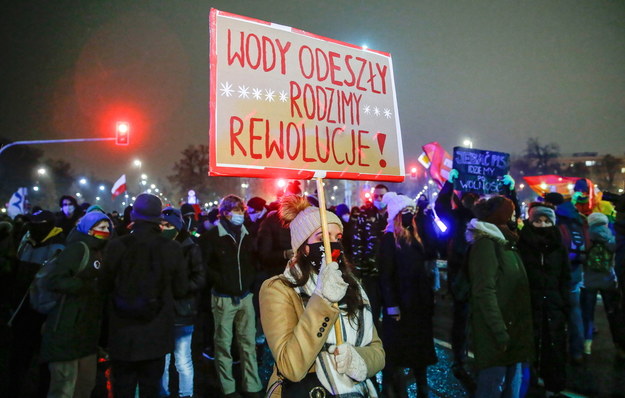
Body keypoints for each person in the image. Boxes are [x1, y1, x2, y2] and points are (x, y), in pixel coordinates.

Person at [260, 194, 384, 397]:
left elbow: (378, 351)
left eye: (337, 238)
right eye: (323, 238)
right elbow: (291, 366)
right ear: (304, 247)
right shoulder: (278, 289)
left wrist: (357, 359)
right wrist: (323, 300)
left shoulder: (350, 284)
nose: (332, 245)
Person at [100, 193, 189, 397]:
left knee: (122, 388)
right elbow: (181, 289)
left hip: (122, 335)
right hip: (155, 334)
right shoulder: (172, 249)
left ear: (133, 215)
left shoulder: (115, 246)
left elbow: (103, 287)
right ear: (158, 217)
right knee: (151, 388)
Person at [467, 196, 534, 398]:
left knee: (511, 387)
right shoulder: (486, 245)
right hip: (497, 334)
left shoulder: (506, 242)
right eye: (512, 213)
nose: (516, 217)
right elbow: (484, 291)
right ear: (502, 216)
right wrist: (499, 330)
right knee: (492, 386)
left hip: (513, 329)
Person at [41, 211, 113, 398]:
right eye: (101, 227)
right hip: (66, 327)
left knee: (85, 385)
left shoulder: (101, 251)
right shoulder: (78, 249)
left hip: (86, 334)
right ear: (89, 229)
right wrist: (87, 286)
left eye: (108, 228)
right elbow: (55, 280)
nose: (106, 231)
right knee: (64, 387)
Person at [199, 194, 262, 398]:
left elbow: (253, 262)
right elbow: (205, 266)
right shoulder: (212, 237)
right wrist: (220, 281)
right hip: (223, 298)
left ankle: (252, 386)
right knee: (223, 345)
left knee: (248, 344)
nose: (241, 214)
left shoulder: (247, 234)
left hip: (245, 297)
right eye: (237, 210)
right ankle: (228, 388)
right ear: (225, 213)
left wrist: (250, 282)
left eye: (242, 210)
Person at [378, 192, 437, 397]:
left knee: (419, 353)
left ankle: (422, 390)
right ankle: (392, 391)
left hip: (418, 304)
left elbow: (432, 249)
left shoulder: (415, 235)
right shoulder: (388, 239)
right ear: (396, 214)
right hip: (401, 305)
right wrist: (392, 305)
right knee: (396, 354)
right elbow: (386, 275)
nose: (410, 215)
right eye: (406, 211)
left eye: (412, 211)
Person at [8, 209, 65, 397]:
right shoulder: (27, 242)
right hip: (22, 310)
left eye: (35, 224)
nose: (30, 227)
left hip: (44, 314)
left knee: (43, 362)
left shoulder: (59, 248)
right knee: (18, 357)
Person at [518, 203, 569, 397]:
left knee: (553, 347)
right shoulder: (524, 245)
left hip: (553, 304)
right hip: (530, 303)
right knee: (528, 348)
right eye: (538, 220)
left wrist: (564, 302)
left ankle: (552, 386)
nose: (542, 224)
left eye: (547, 221)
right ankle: (526, 387)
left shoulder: (559, 247)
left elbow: (564, 277)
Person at [434, 172, 479, 391]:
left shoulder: (487, 217)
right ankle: (460, 360)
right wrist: (449, 183)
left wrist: (508, 190)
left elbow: (508, 215)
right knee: (461, 322)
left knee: (480, 321)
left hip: (482, 277)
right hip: (461, 276)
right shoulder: (457, 216)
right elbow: (440, 206)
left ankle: (478, 360)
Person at [160, 207, 206, 398]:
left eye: (168, 225)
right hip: (161, 312)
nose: (163, 228)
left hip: (183, 311)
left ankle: (186, 394)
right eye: (161, 225)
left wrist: (180, 289)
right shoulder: (156, 247)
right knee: (162, 360)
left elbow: (200, 278)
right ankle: (163, 393)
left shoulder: (190, 248)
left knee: (182, 359)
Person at [546, 192, 590, 364]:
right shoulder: (578, 218)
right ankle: (577, 351)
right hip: (576, 269)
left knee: (554, 312)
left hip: (558, 272)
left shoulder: (555, 218)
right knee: (574, 311)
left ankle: (555, 352)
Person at [580, 212, 625, 359]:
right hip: (608, 281)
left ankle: (586, 344)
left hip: (588, 280)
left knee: (587, 315)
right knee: (613, 314)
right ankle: (619, 345)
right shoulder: (611, 236)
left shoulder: (587, 235)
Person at [351, 184, 389, 330]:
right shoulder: (364, 214)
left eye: (382, 196)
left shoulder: (393, 215)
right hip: (370, 272)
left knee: (391, 311)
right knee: (372, 309)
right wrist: (359, 270)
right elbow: (357, 242)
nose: (379, 199)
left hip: (389, 271)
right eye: (376, 196)